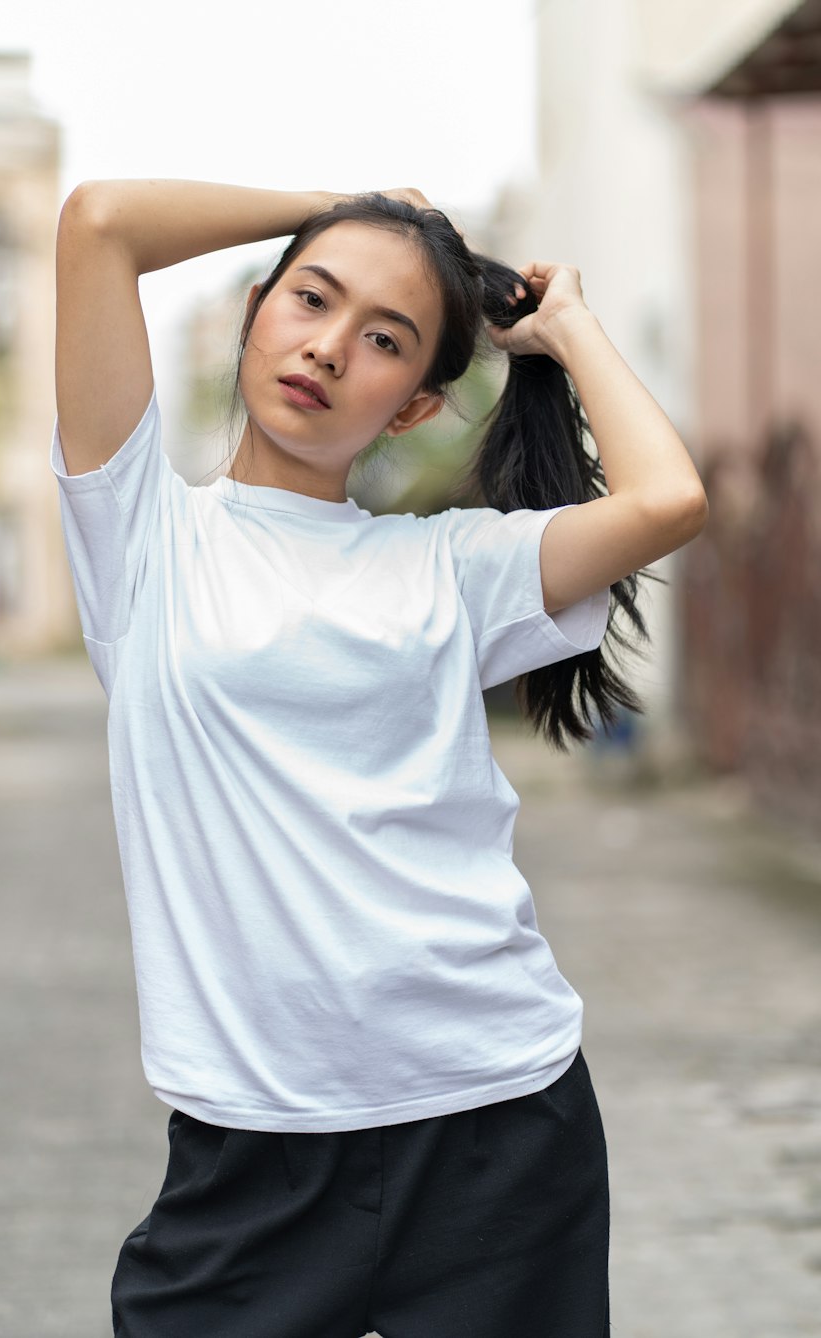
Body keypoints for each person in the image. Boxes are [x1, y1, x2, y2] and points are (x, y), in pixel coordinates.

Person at [50, 180, 708, 1338]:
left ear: (412, 409)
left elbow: (668, 499)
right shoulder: (144, 534)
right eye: (311, 299)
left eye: (384, 340)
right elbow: (100, 223)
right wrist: (347, 200)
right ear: (257, 309)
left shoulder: (450, 568)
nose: (329, 347)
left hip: (497, 1126)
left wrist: (565, 326)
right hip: (248, 1146)